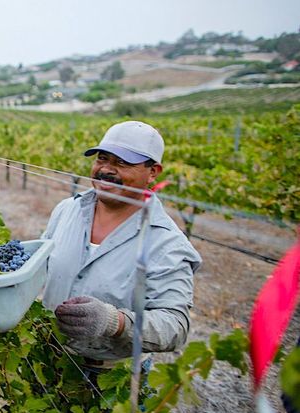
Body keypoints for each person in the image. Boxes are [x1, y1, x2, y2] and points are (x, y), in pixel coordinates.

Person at [41, 120, 201, 370]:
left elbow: (175, 327)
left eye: (122, 163)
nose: (106, 170)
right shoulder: (67, 210)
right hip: (46, 356)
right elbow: (37, 264)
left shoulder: (167, 243)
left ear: (153, 172)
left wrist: (115, 322)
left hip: (110, 379)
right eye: (102, 159)